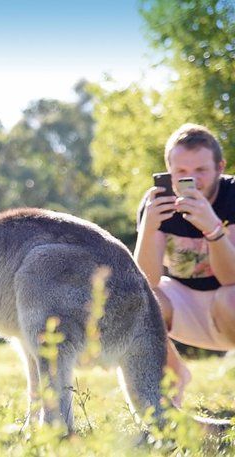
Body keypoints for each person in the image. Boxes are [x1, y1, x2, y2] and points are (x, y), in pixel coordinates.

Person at [134, 123, 235, 405]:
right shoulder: (157, 202)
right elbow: (146, 281)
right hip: (185, 304)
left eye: (201, 170)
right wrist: (149, 227)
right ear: (169, 170)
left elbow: (231, 278)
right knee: (142, 301)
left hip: (229, 305)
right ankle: (171, 383)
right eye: (181, 172)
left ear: (219, 167)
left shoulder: (232, 196)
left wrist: (213, 229)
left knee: (231, 296)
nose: (191, 179)